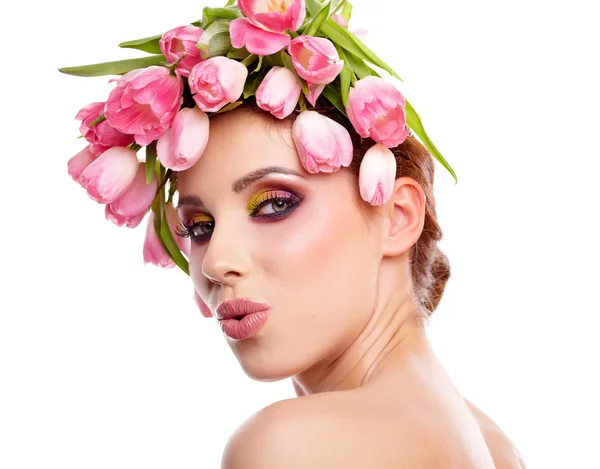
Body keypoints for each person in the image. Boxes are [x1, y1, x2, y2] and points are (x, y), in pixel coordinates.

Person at [61, 1, 527, 467]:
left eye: (274, 205)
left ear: (398, 215)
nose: (213, 262)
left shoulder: (289, 444)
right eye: (199, 227)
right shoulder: (497, 448)